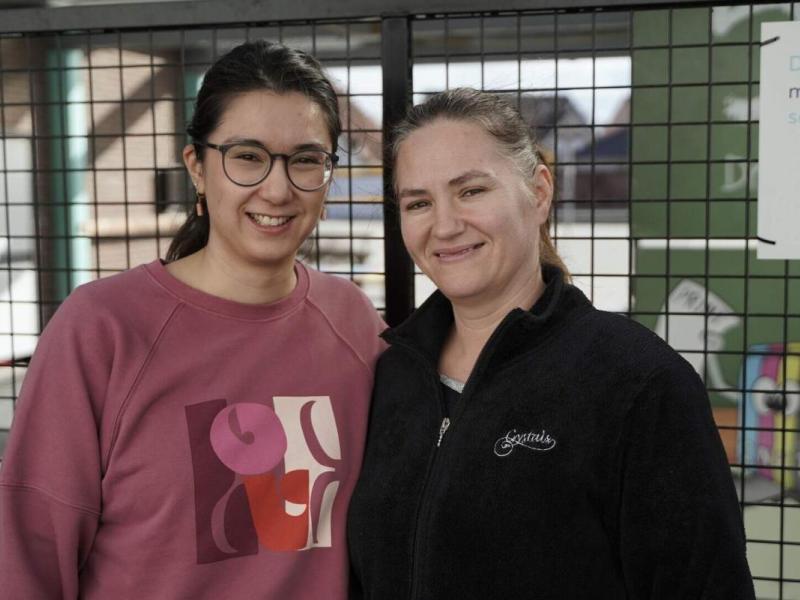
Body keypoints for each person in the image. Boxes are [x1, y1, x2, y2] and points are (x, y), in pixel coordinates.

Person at [0, 40, 384, 599]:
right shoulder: (103, 327)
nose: (277, 189)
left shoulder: (352, 322)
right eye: (247, 156)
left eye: (306, 160)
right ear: (197, 168)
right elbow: (30, 552)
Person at [347, 88, 754, 599]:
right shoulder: (393, 375)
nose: (445, 225)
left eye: (471, 191)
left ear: (538, 193)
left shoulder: (636, 381)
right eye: (419, 202)